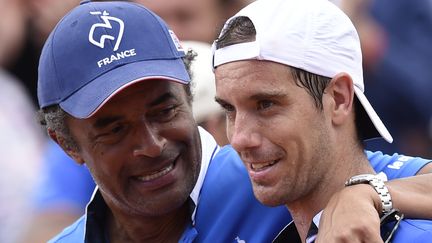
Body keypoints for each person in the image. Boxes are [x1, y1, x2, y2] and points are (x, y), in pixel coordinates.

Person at [37, 1, 432, 242]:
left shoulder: (263, 175)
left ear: (189, 97)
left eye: (164, 110)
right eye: (114, 129)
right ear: (66, 144)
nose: (152, 144)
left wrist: (366, 193)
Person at [212, 0, 432, 242]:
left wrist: (371, 193)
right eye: (229, 109)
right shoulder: (224, 179)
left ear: (339, 99)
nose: (240, 139)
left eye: (266, 105)